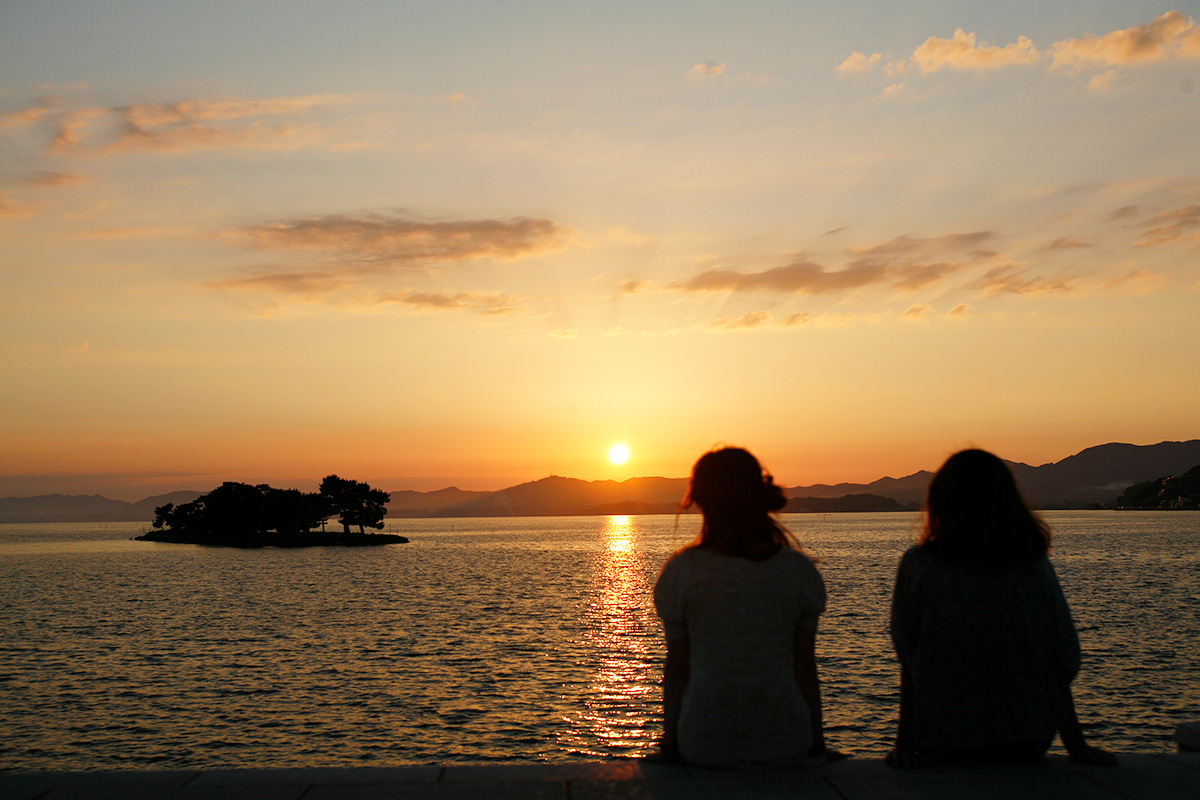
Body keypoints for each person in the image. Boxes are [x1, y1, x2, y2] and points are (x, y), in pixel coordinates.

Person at [887, 448, 1117, 767]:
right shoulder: (1031, 563)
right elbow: (1059, 655)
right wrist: (1076, 746)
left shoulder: (920, 565)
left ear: (941, 501)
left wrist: (903, 745)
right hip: (1027, 739)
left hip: (945, 739)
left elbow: (908, 655)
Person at [651, 446, 836, 768]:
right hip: (787, 742)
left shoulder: (681, 572)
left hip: (704, 743)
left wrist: (670, 746)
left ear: (699, 500)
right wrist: (817, 746)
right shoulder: (798, 572)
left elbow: (678, 669)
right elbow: (804, 668)